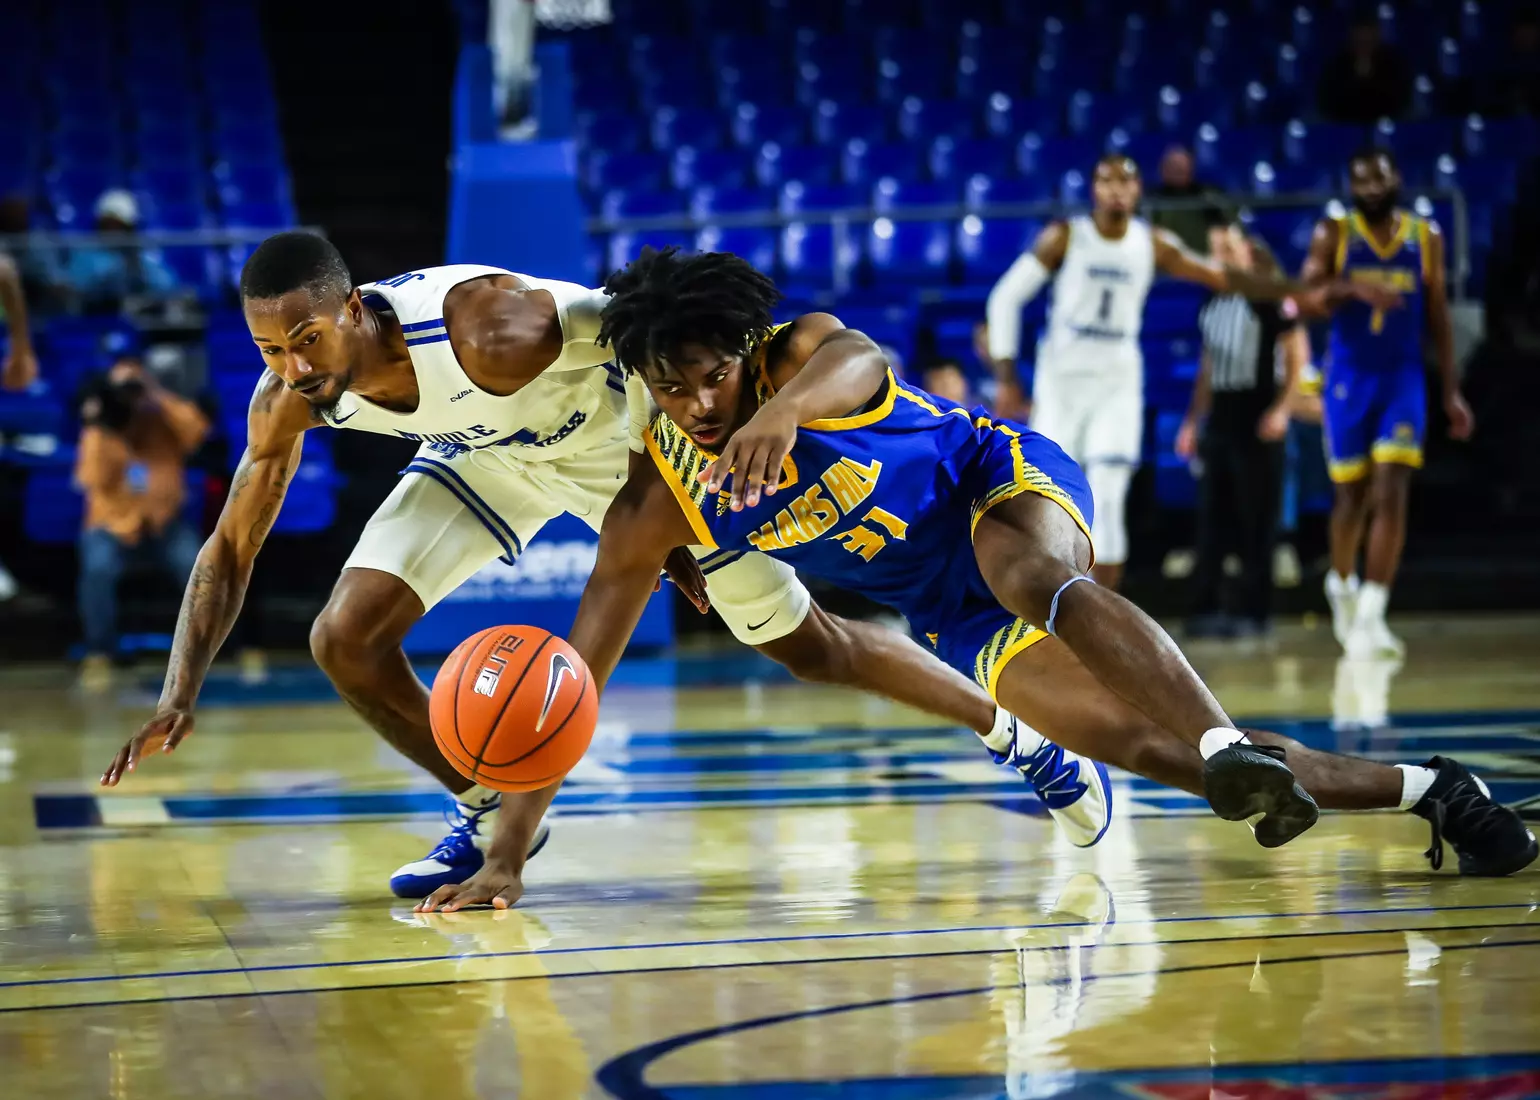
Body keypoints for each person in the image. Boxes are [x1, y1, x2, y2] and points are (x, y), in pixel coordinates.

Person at [415, 248, 1534, 912]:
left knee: (1030, 574)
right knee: (1141, 751)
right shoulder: (658, 495)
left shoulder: (797, 355)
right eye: (677, 387)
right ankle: (1433, 791)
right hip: (940, 605)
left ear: (745, 349)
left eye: (715, 376)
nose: (703, 404)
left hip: (987, 482)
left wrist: (781, 409)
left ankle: (1219, 741)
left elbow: (864, 356)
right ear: (647, 385)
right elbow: (582, 676)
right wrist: (508, 849)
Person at [99, 232, 1114, 896]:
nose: (294, 367)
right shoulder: (286, 398)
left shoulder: (493, 325)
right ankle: (492, 813)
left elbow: (648, 336)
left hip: (630, 447)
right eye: (271, 350)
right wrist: (180, 687)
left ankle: (1017, 733)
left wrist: (676, 511)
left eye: (308, 340)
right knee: (342, 636)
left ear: (354, 308)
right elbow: (232, 543)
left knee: (812, 647)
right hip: (489, 460)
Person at [984, 155, 1389, 591]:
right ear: (1094, 189)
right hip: (1062, 377)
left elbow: (1220, 276)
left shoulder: (1152, 242)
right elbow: (1004, 298)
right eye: (1107, 181)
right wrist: (1007, 374)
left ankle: (1099, 619)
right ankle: (1042, 616)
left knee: (1109, 494)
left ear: (1139, 191)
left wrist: (1299, 289)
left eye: (1126, 181)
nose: (1117, 190)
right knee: (1052, 498)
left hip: (1116, 376)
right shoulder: (1065, 237)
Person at [1302, 149, 1473, 659]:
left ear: (1395, 178)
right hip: (1348, 380)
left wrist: (1451, 389)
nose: (1372, 187)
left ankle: (1373, 615)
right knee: (1351, 498)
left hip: (1403, 378)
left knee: (1392, 488)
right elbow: (1306, 295)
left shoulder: (1426, 236)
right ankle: (1341, 583)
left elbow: (1438, 313)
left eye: (1379, 177)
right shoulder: (1334, 232)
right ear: (1350, 186)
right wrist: (1353, 287)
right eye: (1361, 180)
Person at [1176, 225, 1311, 638]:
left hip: (1258, 410)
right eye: (1215, 249)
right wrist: (1193, 420)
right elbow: (1207, 367)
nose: (1220, 255)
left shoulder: (1267, 298)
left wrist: (1282, 409)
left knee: (1258, 517)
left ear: (1247, 254)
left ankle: (1256, 611)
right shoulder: (1212, 301)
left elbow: (1296, 354)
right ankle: (1207, 606)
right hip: (1222, 413)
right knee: (1212, 515)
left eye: (1228, 248)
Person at [74, 358, 210, 688]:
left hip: (165, 524)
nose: (129, 395)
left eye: (134, 386)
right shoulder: (101, 430)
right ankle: (100, 649)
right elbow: (92, 478)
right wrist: (105, 426)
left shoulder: (162, 419)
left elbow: (198, 431)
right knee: (98, 568)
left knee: (197, 566)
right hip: (112, 527)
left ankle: (204, 646)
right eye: (123, 388)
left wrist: (154, 394)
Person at [65, 190, 180, 315]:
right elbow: (78, 288)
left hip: (138, 314)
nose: (113, 231)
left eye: (119, 226)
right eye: (108, 224)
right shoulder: (85, 254)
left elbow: (166, 283)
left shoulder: (136, 255)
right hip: (99, 314)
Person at [1316, 8, 1412, 124]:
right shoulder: (1337, 65)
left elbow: (1399, 100)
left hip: (1386, 121)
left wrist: (1370, 79)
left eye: (1368, 42)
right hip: (1345, 126)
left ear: (1376, 38)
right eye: (1360, 42)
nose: (1364, 47)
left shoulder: (1392, 63)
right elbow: (1329, 103)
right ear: (1352, 39)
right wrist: (1356, 79)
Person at [1148, 145, 1229, 257]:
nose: (1178, 170)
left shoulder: (1206, 196)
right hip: (1166, 257)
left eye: (1182, 167)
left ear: (1191, 168)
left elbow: (1224, 225)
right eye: (1173, 166)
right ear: (1163, 170)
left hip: (1204, 256)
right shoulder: (1152, 199)